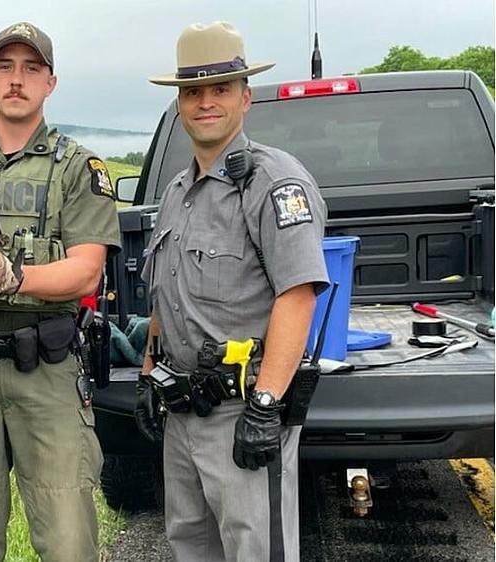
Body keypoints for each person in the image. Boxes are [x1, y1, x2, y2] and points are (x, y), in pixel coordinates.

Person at [135, 22, 329, 562]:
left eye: (220, 88)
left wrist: (266, 405)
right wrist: (150, 376)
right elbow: (165, 296)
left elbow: (298, 294)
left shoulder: (274, 183)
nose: (205, 103)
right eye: (192, 92)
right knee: (190, 547)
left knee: (256, 552)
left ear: (245, 97)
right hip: (182, 412)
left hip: (240, 411)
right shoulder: (176, 194)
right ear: (178, 104)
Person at [0, 21, 121, 562]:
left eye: (31, 69)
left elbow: (86, 271)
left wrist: (13, 277)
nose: (18, 80)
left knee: (68, 541)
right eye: (7, 67)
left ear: (50, 83)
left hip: (48, 366)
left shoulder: (78, 167)